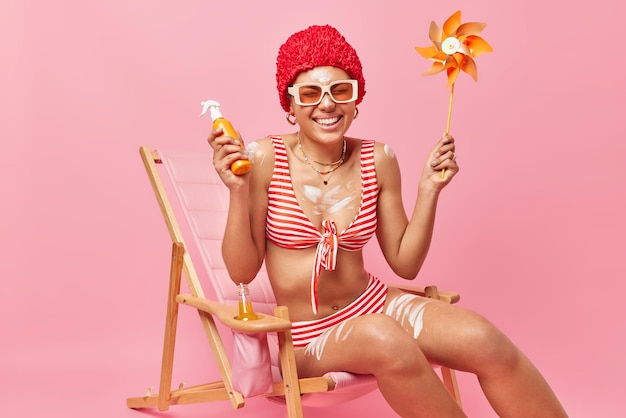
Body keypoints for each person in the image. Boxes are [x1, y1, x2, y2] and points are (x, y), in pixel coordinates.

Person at [208, 24, 567, 418]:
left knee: (484, 340)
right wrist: (237, 191)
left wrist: (429, 189)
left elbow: (405, 263)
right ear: (289, 106)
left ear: (356, 99)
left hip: (376, 304)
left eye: (340, 90)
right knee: (386, 338)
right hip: (310, 337)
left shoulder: (377, 158)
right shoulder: (264, 158)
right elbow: (242, 271)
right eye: (310, 93)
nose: (326, 105)